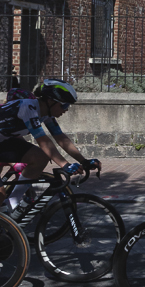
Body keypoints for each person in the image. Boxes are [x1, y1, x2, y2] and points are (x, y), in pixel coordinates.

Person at [0, 80, 99, 210]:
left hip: (4, 141)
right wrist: (65, 165)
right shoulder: (27, 108)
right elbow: (43, 141)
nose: (67, 109)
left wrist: (83, 161)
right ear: (51, 102)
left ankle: (12, 202)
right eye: (64, 105)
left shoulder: (46, 114)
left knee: (40, 157)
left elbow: (61, 138)